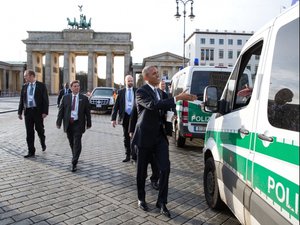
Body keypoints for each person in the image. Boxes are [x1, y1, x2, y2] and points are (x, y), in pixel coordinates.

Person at [132, 66, 197, 217]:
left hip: (160, 137)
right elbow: (153, 106)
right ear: (147, 77)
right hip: (144, 137)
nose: (158, 75)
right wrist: (178, 97)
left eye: (158, 72)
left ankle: (162, 202)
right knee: (141, 172)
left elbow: (167, 110)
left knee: (165, 169)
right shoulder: (141, 92)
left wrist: (170, 124)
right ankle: (141, 198)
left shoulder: (161, 93)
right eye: (154, 73)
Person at [56, 80, 92, 172]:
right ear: (71, 88)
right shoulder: (65, 97)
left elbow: (87, 112)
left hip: (78, 123)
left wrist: (89, 123)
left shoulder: (84, 98)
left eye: (78, 86)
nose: (77, 87)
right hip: (68, 123)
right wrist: (58, 122)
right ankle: (75, 155)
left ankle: (74, 162)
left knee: (77, 143)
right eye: (75, 86)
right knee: (71, 142)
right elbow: (61, 111)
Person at [18, 69, 49, 158]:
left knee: (39, 130)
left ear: (31, 76)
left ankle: (42, 141)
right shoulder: (24, 86)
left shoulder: (41, 86)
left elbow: (45, 100)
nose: (24, 77)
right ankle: (31, 151)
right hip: (28, 112)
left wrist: (45, 112)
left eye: (25, 76)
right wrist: (19, 112)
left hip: (38, 112)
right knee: (29, 132)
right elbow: (22, 100)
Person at [129, 103, 160, 190]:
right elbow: (134, 114)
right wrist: (131, 130)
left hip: (157, 135)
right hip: (143, 135)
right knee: (142, 161)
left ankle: (154, 179)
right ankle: (143, 176)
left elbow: (168, 110)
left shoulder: (162, 95)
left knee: (155, 161)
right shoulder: (142, 94)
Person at [111, 75, 137, 162]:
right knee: (126, 137)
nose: (130, 82)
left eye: (132, 81)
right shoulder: (121, 92)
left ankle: (134, 155)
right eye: (129, 81)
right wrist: (113, 119)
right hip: (125, 116)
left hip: (135, 117)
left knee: (135, 136)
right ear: (125, 81)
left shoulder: (137, 91)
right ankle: (127, 155)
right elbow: (116, 106)